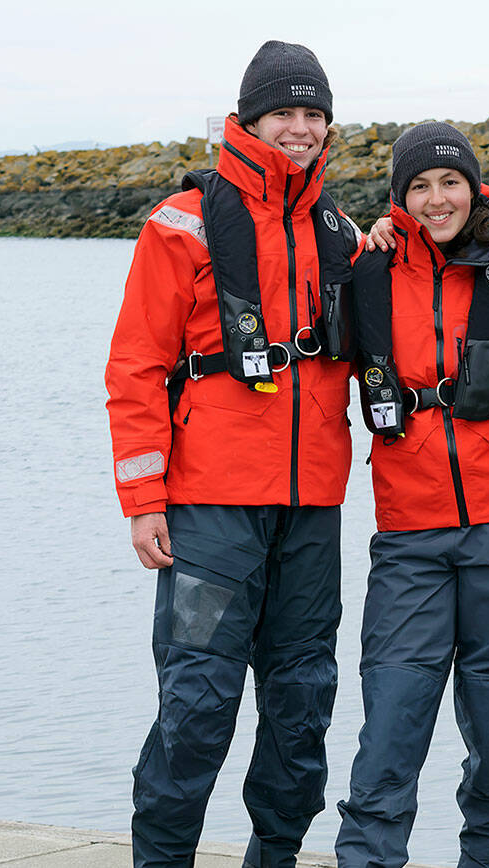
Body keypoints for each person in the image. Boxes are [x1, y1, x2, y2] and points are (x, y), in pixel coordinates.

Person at [105, 40, 358, 868]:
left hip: (312, 509)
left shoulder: (342, 233)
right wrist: (143, 499)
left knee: (303, 703)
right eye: (284, 112)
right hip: (209, 506)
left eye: (313, 114)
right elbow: (136, 366)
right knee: (198, 702)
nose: (300, 127)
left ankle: (274, 857)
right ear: (249, 119)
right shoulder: (180, 223)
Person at [333, 122, 489, 868]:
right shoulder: (367, 269)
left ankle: (482, 856)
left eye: (449, 182)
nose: (435, 199)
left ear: (473, 187)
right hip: (408, 529)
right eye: (418, 186)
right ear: (398, 198)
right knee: (390, 719)